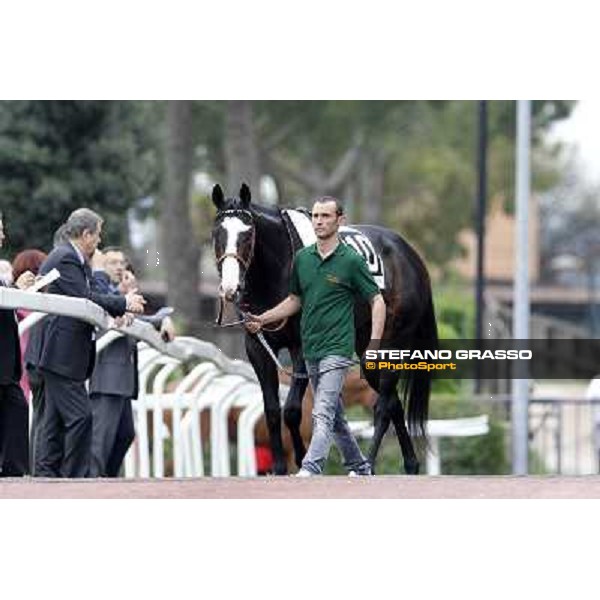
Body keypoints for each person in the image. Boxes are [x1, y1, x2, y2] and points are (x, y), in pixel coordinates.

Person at [245, 196, 386, 476]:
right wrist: (262, 319)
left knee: (321, 411)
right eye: (316, 216)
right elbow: (294, 301)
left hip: (337, 349)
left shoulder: (351, 261)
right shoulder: (303, 259)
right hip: (311, 350)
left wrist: (374, 344)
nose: (320, 221)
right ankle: (359, 464)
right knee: (334, 417)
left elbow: (377, 301)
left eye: (326, 216)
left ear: (339, 221)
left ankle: (310, 466)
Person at [35, 208, 146, 478]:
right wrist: (124, 303)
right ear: (85, 234)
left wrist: (120, 306)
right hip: (61, 354)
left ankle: (46, 476)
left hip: (65, 355)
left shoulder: (74, 258)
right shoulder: (65, 257)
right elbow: (85, 296)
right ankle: (73, 479)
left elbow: (90, 295)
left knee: (53, 423)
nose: (99, 240)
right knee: (81, 417)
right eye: (97, 234)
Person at [0, 212, 36, 476]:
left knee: (18, 407)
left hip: (7, 364)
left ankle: (14, 478)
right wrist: (13, 285)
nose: (3, 236)